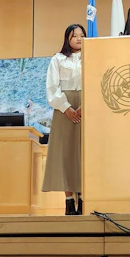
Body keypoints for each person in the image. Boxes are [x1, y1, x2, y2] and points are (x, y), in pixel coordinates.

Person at [42, 24, 85, 215]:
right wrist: (66, 108)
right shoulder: (57, 59)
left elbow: (95, 81)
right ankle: (68, 200)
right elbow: (52, 87)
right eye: (74, 36)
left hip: (86, 107)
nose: (78, 38)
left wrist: (87, 105)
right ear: (67, 38)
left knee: (83, 152)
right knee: (66, 152)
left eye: (81, 35)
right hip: (63, 108)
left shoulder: (92, 57)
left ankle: (84, 198)